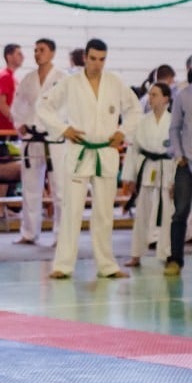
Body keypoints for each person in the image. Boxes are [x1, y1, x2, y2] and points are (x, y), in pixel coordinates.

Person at [38, 38, 141, 279]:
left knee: (104, 213)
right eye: (93, 58)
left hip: (106, 151)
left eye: (102, 59)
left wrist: (123, 132)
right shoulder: (71, 82)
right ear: (85, 57)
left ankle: (107, 265)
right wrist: (63, 129)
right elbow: (44, 107)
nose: (97, 64)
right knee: (72, 210)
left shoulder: (115, 83)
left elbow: (135, 110)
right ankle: (63, 265)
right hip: (79, 150)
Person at [11, 38, 67, 245]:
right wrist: (21, 123)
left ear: (52, 53)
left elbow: (68, 108)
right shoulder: (27, 79)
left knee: (59, 189)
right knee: (30, 187)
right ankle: (29, 232)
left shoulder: (63, 79)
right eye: (35, 50)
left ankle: (61, 235)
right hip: (32, 138)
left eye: (41, 50)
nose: (37, 54)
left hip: (55, 140)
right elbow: (18, 105)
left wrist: (59, 127)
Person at [122, 82, 173, 268]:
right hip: (147, 168)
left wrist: (177, 179)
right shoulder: (142, 121)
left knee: (168, 213)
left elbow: (178, 153)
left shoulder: (174, 121)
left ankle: (167, 253)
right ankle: (136, 254)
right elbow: (133, 151)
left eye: (155, 94)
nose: (150, 98)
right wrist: (129, 177)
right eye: (150, 94)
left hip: (167, 170)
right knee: (142, 213)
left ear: (166, 98)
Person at [167, 65, 192, 276]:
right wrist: (179, 155)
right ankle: (175, 260)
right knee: (180, 212)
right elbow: (174, 128)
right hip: (186, 163)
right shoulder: (183, 96)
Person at [0, 43, 23, 135]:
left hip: (11, 130)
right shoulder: (5, 77)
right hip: (5, 131)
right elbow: (1, 103)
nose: (23, 57)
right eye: (19, 54)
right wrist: (18, 121)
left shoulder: (12, 78)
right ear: (9, 56)